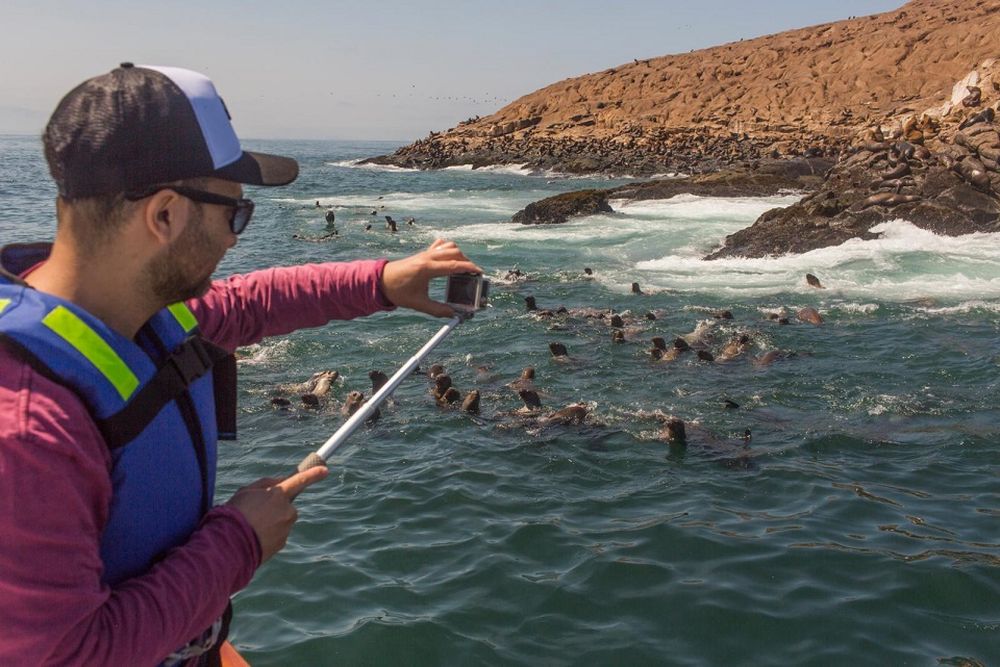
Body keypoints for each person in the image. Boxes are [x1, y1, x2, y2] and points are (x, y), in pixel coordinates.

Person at [0, 63, 481, 665]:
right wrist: (238, 543)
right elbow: (68, 656)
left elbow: (250, 303)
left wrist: (385, 281)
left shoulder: (132, 308)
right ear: (165, 215)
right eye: (235, 214)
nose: (235, 239)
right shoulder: (25, 431)